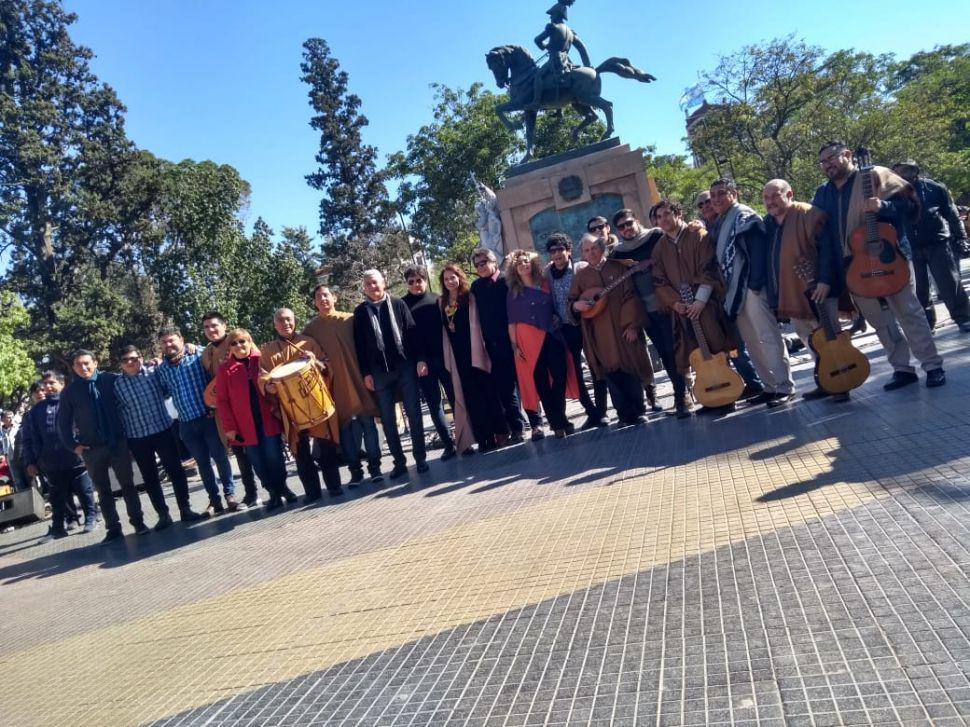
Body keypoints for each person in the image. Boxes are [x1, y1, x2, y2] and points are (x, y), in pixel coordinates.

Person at [813, 141, 945, 389]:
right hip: (854, 267)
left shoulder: (875, 175)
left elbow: (910, 205)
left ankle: (932, 365)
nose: (828, 164)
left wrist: (882, 206)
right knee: (880, 321)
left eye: (832, 158)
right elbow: (823, 235)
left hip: (889, 257)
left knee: (910, 314)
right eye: (823, 161)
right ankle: (902, 369)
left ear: (848, 155)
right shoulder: (823, 193)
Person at [57, 350, 161, 543]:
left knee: (128, 486)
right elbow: (62, 423)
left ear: (95, 362)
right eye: (78, 365)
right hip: (91, 449)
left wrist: (153, 362)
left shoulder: (111, 380)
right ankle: (113, 528)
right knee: (103, 491)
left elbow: (133, 380)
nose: (83, 368)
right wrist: (74, 446)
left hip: (118, 442)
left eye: (87, 363)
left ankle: (138, 523)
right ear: (73, 368)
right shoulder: (70, 392)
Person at [761, 180, 848, 403]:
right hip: (793, 293)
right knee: (810, 341)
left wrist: (825, 281)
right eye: (766, 198)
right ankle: (825, 382)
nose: (770, 202)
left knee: (830, 336)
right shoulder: (768, 224)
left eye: (775, 196)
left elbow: (827, 249)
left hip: (818, 289)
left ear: (789, 193)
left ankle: (842, 383)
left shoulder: (809, 214)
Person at [709, 178, 792, 404]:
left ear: (734, 194)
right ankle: (769, 385)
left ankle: (784, 385)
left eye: (721, 193)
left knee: (768, 337)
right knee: (752, 342)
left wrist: (755, 285)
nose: (716, 199)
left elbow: (757, 251)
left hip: (752, 287)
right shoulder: (721, 221)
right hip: (735, 291)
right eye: (712, 195)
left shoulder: (744, 215)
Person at [651, 200, 736, 417]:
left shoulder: (697, 235)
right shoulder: (660, 248)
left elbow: (709, 266)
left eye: (667, 214)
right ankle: (708, 398)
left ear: (678, 213)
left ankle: (728, 394)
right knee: (694, 354)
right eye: (659, 217)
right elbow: (659, 281)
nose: (663, 220)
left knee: (716, 347)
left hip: (705, 305)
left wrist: (700, 300)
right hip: (682, 312)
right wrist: (675, 303)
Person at [155, 327, 246, 516]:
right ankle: (214, 500)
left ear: (181, 339)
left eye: (171, 340)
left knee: (220, 458)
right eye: (164, 342)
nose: (168, 345)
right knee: (202, 463)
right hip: (186, 424)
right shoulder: (161, 369)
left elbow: (215, 374)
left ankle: (230, 495)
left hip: (208, 418)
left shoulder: (198, 355)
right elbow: (164, 392)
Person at [569, 234, 654, 425]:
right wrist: (577, 306)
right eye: (586, 250)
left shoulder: (617, 267)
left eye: (594, 248)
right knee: (611, 374)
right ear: (582, 253)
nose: (591, 253)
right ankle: (623, 414)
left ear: (602, 248)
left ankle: (639, 410)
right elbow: (572, 302)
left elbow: (631, 296)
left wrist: (632, 325)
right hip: (600, 335)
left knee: (630, 368)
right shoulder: (580, 277)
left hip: (623, 330)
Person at [259, 308, 342, 501]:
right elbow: (262, 377)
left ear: (295, 321)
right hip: (290, 408)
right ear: (275, 324)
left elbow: (327, 366)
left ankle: (335, 486)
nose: (285, 324)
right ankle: (312, 493)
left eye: (289, 320)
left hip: (315, 402)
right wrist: (268, 386)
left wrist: (315, 362)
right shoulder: (268, 350)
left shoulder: (308, 342)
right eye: (281, 321)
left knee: (326, 447)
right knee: (301, 452)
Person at [353, 269, 430, 479]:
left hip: (404, 366)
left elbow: (412, 333)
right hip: (379, 373)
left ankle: (420, 458)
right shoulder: (360, 313)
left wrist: (421, 359)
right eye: (368, 284)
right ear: (364, 288)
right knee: (387, 419)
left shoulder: (397, 303)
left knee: (414, 414)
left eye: (375, 283)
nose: (372, 287)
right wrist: (365, 373)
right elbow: (359, 346)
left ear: (383, 283)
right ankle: (399, 462)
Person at [303, 285, 383, 485]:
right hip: (335, 385)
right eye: (318, 297)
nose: (323, 299)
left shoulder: (350, 319)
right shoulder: (310, 330)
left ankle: (375, 467)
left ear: (334, 297)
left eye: (326, 295)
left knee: (368, 424)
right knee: (345, 429)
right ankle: (355, 470)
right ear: (314, 302)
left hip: (360, 378)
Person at [113, 345, 202, 522]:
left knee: (175, 471)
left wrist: (188, 347)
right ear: (120, 364)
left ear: (141, 357)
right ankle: (163, 515)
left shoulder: (155, 372)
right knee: (150, 478)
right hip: (137, 437)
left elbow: (170, 383)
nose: (130, 362)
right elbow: (117, 412)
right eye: (125, 360)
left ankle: (185, 509)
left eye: (133, 358)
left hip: (163, 430)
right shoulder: (116, 385)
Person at [610, 208, 687, 412]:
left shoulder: (656, 237)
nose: (626, 229)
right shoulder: (618, 254)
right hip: (643, 312)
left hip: (669, 303)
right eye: (621, 227)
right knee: (663, 352)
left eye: (629, 223)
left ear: (637, 220)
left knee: (675, 351)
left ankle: (682, 396)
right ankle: (680, 394)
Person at [216, 329, 295, 512]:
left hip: (267, 419)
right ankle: (273, 493)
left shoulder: (261, 360)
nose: (239, 346)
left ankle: (283, 487)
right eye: (234, 343)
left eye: (242, 341)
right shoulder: (225, 369)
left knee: (274, 457)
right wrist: (229, 427)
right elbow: (222, 401)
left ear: (250, 341)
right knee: (257, 461)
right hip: (245, 426)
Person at [891, 160, 970, 333]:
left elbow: (951, 213)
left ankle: (963, 318)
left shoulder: (934, 188)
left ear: (914, 171)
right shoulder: (892, 194)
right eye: (896, 171)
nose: (901, 174)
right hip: (909, 248)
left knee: (949, 282)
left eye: (904, 170)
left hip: (938, 242)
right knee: (919, 289)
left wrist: (960, 238)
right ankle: (927, 324)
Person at [439, 263, 510, 453]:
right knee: (472, 399)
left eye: (453, 277)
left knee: (489, 394)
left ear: (459, 277)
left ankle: (500, 432)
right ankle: (483, 438)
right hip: (459, 358)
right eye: (446, 279)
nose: (450, 281)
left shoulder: (470, 297)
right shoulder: (442, 303)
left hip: (477, 353)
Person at [505, 249, 576, 439]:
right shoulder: (513, 293)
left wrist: (556, 318)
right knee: (542, 382)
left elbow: (556, 306)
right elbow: (512, 322)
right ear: (514, 269)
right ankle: (558, 423)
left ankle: (558, 418)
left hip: (552, 336)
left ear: (532, 263)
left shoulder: (544, 283)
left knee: (560, 375)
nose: (523, 265)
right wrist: (514, 346)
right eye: (519, 263)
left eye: (526, 261)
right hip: (528, 342)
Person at [21, 371, 97, 541]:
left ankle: (90, 519)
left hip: (76, 460)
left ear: (62, 384)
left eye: (52, 383)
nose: (47, 387)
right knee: (57, 497)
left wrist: (83, 446)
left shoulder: (73, 402)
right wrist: (33, 461)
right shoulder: (35, 411)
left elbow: (84, 425)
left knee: (84, 491)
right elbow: (32, 439)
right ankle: (58, 528)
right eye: (45, 384)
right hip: (51, 463)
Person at [544, 233, 608, 428]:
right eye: (553, 251)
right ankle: (591, 411)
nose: (557, 254)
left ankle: (602, 412)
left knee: (596, 368)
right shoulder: (547, 274)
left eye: (560, 249)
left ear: (569, 251)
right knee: (576, 374)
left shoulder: (580, 268)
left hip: (585, 325)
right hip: (564, 330)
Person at [200, 311, 261, 507]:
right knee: (240, 453)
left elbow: (257, 360)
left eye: (214, 325)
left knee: (262, 449)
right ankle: (251, 493)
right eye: (206, 327)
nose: (211, 330)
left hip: (251, 407)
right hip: (226, 410)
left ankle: (277, 488)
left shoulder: (237, 340)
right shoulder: (206, 353)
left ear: (224, 326)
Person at [470, 248, 528, 440]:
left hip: (516, 342)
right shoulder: (476, 287)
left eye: (484, 262)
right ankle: (518, 428)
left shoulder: (507, 281)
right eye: (477, 264)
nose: (481, 267)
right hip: (494, 347)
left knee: (526, 384)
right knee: (506, 390)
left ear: (494, 262)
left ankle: (536, 422)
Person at [402, 265, 457, 460]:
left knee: (454, 398)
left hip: (444, 357)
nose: (416, 284)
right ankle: (448, 444)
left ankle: (463, 440)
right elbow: (407, 337)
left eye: (419, 280)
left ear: (426, 280)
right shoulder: (402, 305)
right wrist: (419, 359)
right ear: (407, 284)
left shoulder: (438, 299)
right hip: (422, 363)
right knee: (434, 405)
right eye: (411, 282)